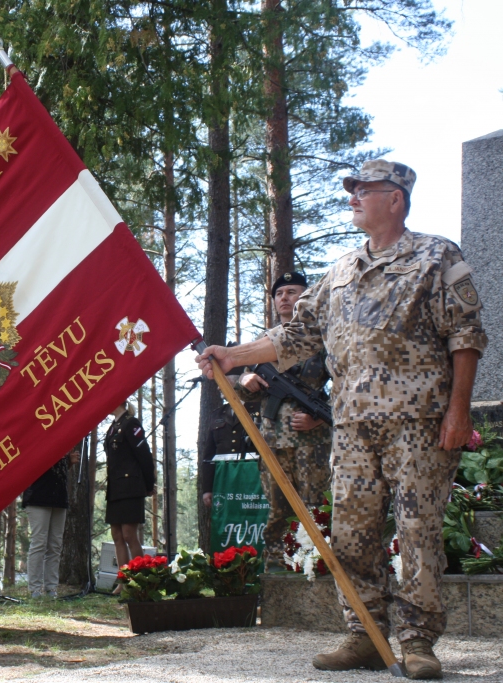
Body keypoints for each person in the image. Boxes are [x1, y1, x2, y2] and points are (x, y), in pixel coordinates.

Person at [196, 160, 486, 680]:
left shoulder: (437, 256)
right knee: (352, 534)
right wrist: (234, 355)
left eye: (363, 191)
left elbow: (465, 337)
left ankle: (417, 642)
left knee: (418, 532)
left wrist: (459, 411)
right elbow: (294, 338)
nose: (352, 199)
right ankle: (365, 635)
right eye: (350, 191)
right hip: (352, 430)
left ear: (395, 199)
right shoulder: (340, 273)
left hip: (418, 423)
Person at [233, 272, 331, 571]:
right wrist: (245, 379)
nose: (285, 297)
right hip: (273, 440)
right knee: (277, 510)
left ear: (306, 298)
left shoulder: (321, 339)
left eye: (293, 291)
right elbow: (241, 390)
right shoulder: (263, 344)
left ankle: (317, 567)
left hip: (312, 444)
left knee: (315, 507)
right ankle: (275, 573)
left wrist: (319, 420)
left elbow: (345, 384)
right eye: (280, 293)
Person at [105, 402, 155, 582]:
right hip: (115, 487)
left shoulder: (131, 423)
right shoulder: (113, 427)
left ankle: (140, 579)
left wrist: (149, 484)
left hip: (130, 486)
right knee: (117, 535)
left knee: (128, 534)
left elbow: (144, 455)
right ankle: (123, 581)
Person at [22, 445, 79, 598]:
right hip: (37, 495)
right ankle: (34, 589)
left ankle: (51, 588)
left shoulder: (63, 440)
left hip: (59, 497)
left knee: (55, 544)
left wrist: (68, 462)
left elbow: (56, 471)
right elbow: (33, 465)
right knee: (39, 542)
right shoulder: (38, 439)